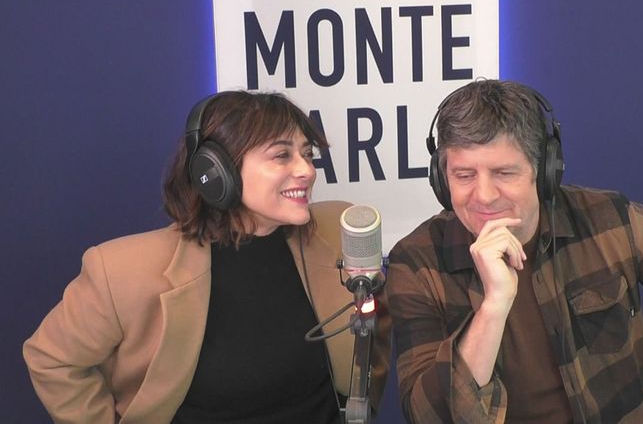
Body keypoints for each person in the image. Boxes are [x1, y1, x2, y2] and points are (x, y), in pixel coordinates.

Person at [385, 79, 643, 424]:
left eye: (504, 173)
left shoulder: (611, 223)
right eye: (464, 175)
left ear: (545, 172)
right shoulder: (417, 263)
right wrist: (494, 307)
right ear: (441, 179)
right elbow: (429, 417)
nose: (483, 196)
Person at [23, 91, 390, 423]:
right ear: (215, 171)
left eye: (307, 154)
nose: (306, 170)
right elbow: (52, 358)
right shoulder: (122, 269)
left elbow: (374, 325)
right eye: (282, 155)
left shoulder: (340, 229)